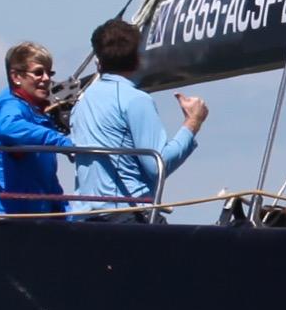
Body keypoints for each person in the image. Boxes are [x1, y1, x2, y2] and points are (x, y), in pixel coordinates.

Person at [63, 17, 207, 217]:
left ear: (98, 60)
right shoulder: (136, 100)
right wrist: (192, 123)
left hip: (84, 216)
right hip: (125, 214)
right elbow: (157, 166)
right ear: (139, 58)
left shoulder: (81, 102)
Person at [0, 40, 79, 218]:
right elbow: (7, 127)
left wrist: (64, 212)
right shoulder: (10, 106)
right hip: (1, 218)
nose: (46, 79)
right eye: (38, 72)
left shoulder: (36, 114)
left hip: (29, 217)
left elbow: (44, 177)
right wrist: (61, 141)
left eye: (49, 72)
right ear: (16, 77)